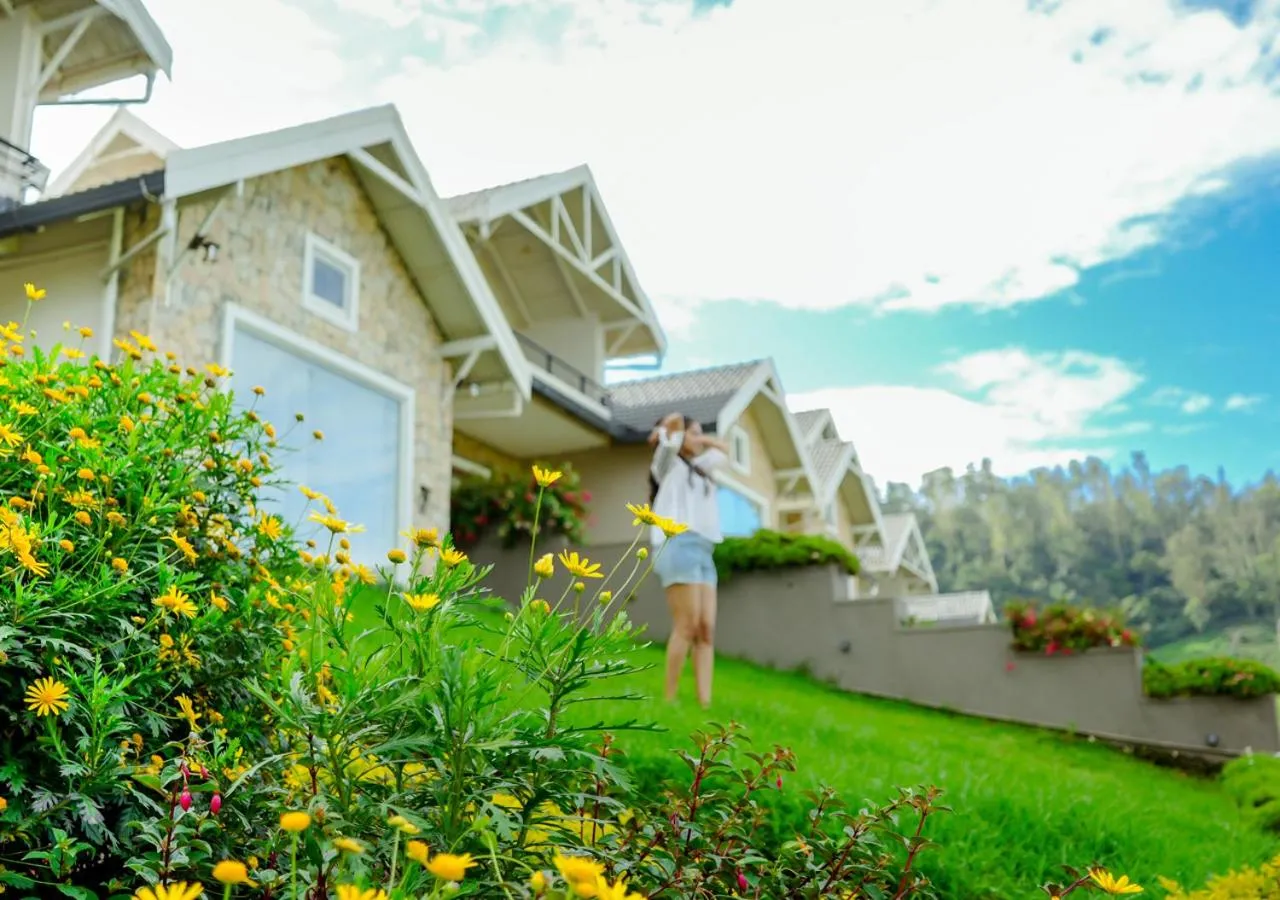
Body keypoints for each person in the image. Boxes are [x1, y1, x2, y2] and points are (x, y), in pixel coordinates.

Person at [647, 412, 730, 709]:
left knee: (706, 629)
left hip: (704, 547)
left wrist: (701, 437)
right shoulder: (667, 464)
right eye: (691, 434)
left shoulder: (701, 467)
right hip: (676, 543)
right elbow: (672, 431)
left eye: (699, 434)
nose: (696, 439)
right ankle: (669, 698)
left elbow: (724, 452)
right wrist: (672, 428)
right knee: (686, 625)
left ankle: (704, 702)